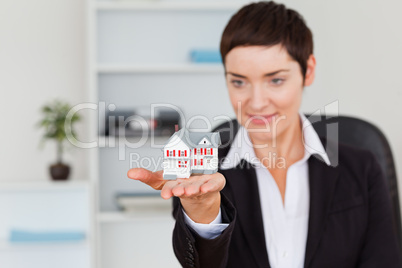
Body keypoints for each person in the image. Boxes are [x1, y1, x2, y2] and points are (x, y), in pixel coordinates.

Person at [127, 1, 402, 267]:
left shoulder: (363, 169)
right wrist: (203, 213)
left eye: (276, 80)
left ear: (308, 71)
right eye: (238, 81)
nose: (256, 102)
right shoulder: (199, 173)